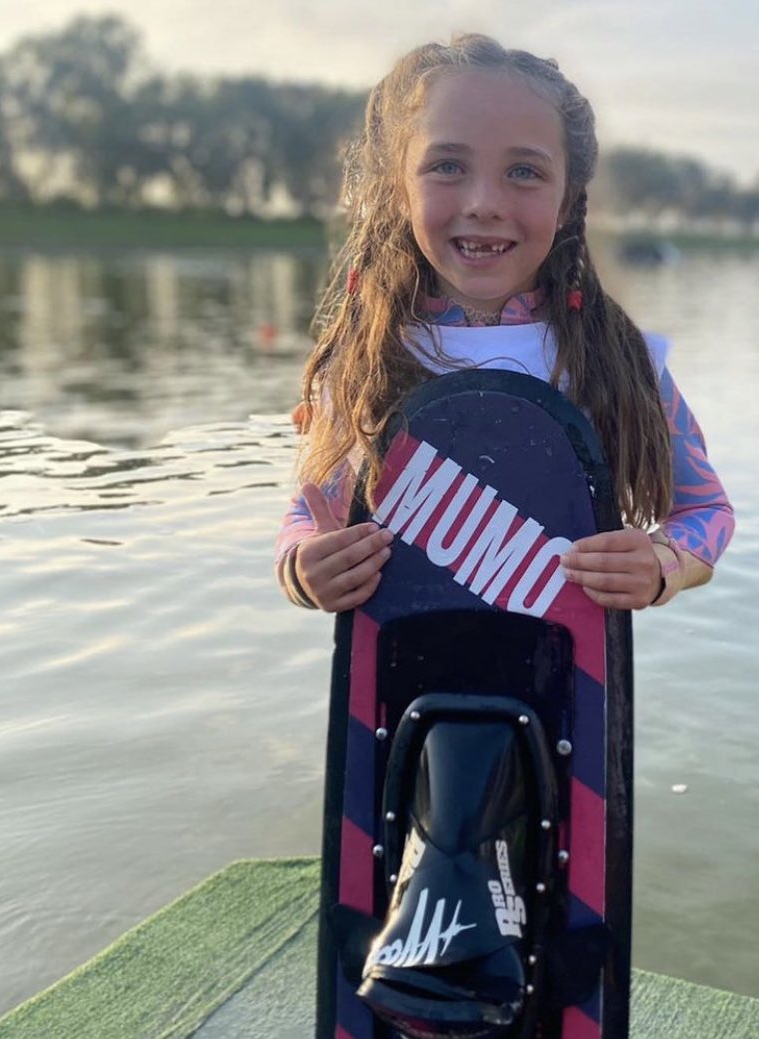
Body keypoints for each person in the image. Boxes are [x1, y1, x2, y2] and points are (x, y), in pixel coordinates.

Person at [276, 34, 733, 613]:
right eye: (447, 166)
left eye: (523, 171)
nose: (485, 202)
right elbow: (304, 513)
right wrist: (302, 569)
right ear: (398, 190)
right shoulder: (363, 360)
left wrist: (663, 565)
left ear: (568, 201)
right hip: (402, 687)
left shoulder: (623, 360)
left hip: (566, 686)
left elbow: (706, 510)